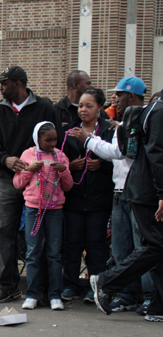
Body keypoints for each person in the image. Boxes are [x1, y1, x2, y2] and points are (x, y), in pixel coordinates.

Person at [69, 76, 152, 313]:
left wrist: (89, 141)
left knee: (142, 249)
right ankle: (126, 294)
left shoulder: (146, 118)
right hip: (119, 193)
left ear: (132, 96)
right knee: (121, 248)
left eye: (120, 94)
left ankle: (148, 295)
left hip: (138, 194)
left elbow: (118, 152)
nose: (115, 98)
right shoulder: (122, 121)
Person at [0, 66, 62, 303]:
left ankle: (43, 289)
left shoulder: (45, 108)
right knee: (3, 232)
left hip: (39, 183)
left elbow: (57, 142)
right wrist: (4, 159)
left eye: (3, 83)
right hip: (7, 180)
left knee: (41, 236)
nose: (0, 88)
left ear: (17, 84)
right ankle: (8, 286)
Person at [91, 93, 163, 322]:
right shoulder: (159, 111)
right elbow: (156, 154)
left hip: (145, 188)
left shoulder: (155, 109)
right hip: (148, 191)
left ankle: (157, 306)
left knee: (157, 246)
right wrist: (162, 193)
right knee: (156, 244)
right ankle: (107, 281)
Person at [60, 88, 114, 303]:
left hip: (98, 198)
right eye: (81, 105)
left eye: (89, 106)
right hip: (73, 197)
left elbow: (119, 160)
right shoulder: (70, 131)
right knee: (72, 243)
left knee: (96, 244)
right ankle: (71, 285)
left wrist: (101, 164)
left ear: (99, 107)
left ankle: (96, 287)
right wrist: (70, 166)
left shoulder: (109, 131)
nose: (83, 110)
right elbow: (59, 160)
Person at [14, 122, 73, 310]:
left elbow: (69, 185)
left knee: (54, 253)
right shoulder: (27, 155)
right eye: (47, 140)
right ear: (37, 139)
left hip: (55, 210)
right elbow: (17, 183)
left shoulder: (61, 156)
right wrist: (29, 168)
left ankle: (55, 295)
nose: (52, 143)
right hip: (33, 209)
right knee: (32, 252)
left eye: (54, 139)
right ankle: (31, 294)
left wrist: (62, 170)